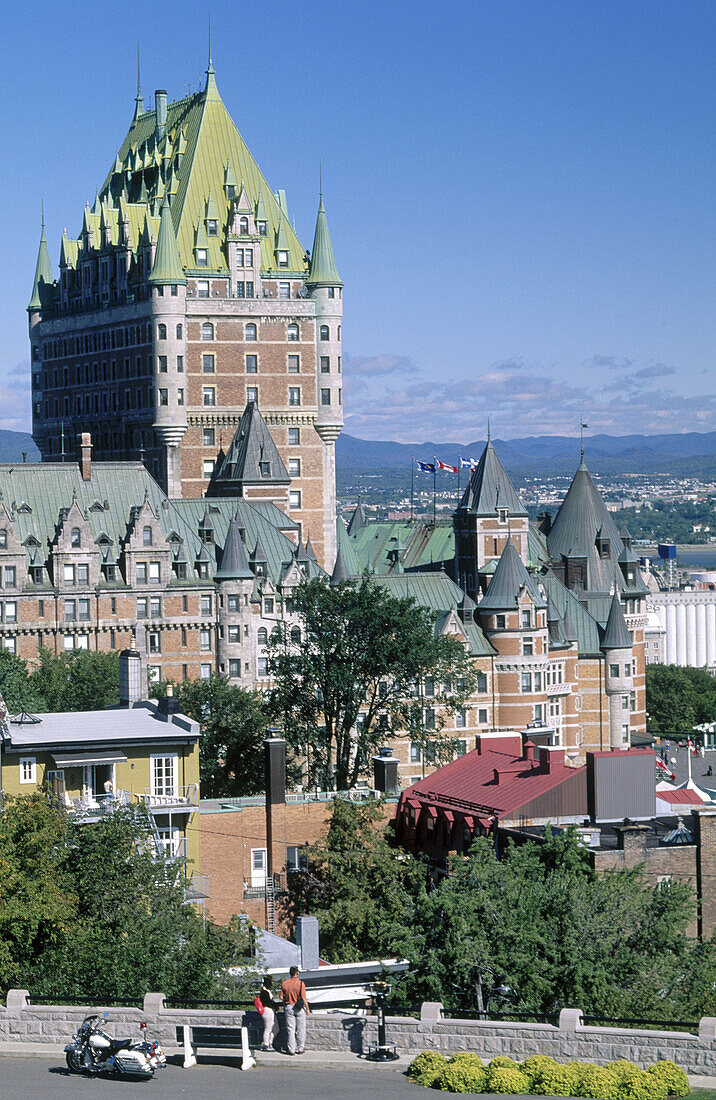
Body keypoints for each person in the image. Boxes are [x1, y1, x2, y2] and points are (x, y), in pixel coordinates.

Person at [281, 965, 309, 1055]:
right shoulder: (301, 983)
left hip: (289, 1007)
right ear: (297, 973)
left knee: (290, 1029)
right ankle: (300, 1048)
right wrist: (308, 1009)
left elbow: (281, 996)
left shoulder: (284, 983)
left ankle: (291, 1050)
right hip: (299, 1008)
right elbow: (304, 998)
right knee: (301, 1029)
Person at [258, 975, 279, 1051]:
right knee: (268, 1029)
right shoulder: (264, 992)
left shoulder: (265, 991)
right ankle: (266, 1044)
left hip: (271, 1011)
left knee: (276, 1028)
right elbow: (268, 1002)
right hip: (267, 1010)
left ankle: (270, 1042)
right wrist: (276, 1005)